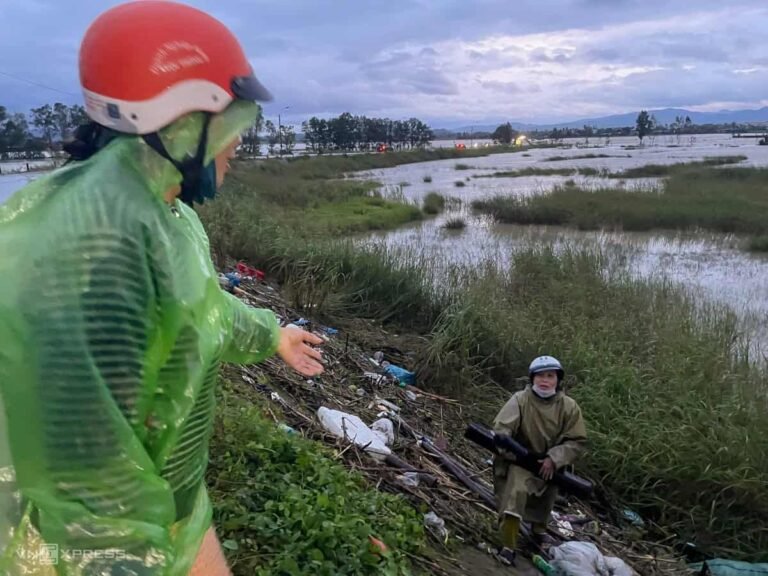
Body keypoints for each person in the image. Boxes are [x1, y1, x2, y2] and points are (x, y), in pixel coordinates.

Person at [0, 2, 324, 574]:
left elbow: (195, 306)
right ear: (176, 118)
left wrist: (273, 333)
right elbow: (88, 483)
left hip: (173, 504)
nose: (238, 147)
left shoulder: (163, 212)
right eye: (232, 126)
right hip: (98, 543)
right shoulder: (97, 242)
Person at [492, 355, 587, 562]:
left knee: (546, 499)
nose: (545, 380)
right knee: (515, 496)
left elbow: (576, 441)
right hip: (521, 460)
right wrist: (512, 450)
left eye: (550, 376)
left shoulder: (569, 407)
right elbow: (502, 429)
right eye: (540, 376)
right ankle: (508, 545)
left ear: (557, 379)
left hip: (550, 465)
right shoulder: (520, 399)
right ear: (532, 378)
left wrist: (553, 459)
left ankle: (538, 532)